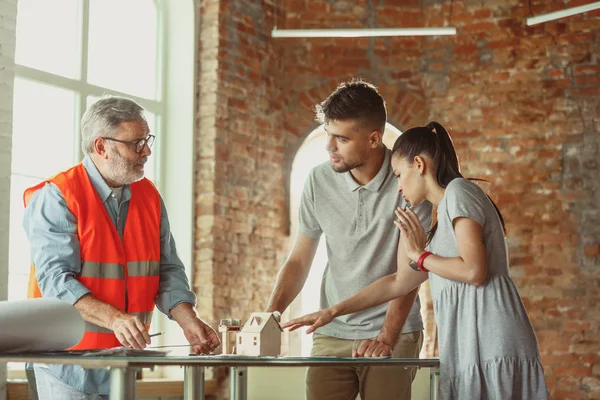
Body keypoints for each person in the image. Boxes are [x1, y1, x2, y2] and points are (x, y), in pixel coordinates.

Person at [283, 121, 549, 399]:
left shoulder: (459, 192)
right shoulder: (441, 218)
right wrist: (333, 311)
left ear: (419, 165)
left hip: (492, 336)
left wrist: (420, 256)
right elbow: (398, 282)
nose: (398, 187)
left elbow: (473, 271)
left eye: (399, 174)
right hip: (467, 340)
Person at [23, 96, 220, 400]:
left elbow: (166, 269)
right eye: (136, 143)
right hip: (65, 365)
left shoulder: (149, 196)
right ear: (101, 146)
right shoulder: (58, 197)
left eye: (147, 140)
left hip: (122, 365)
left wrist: (187, 319)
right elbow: (56, 282)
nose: (147, 151)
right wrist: (115, 319)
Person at [265, 79, 432, 400]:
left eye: (341, 138)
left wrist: (387, 337)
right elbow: (300, 259)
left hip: (394, 331)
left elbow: (408, 275)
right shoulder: (318, 180)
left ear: (373, 138)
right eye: (328, 133)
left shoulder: (409, 181)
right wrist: (270, 315)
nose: (329, 146)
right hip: (331, 331)